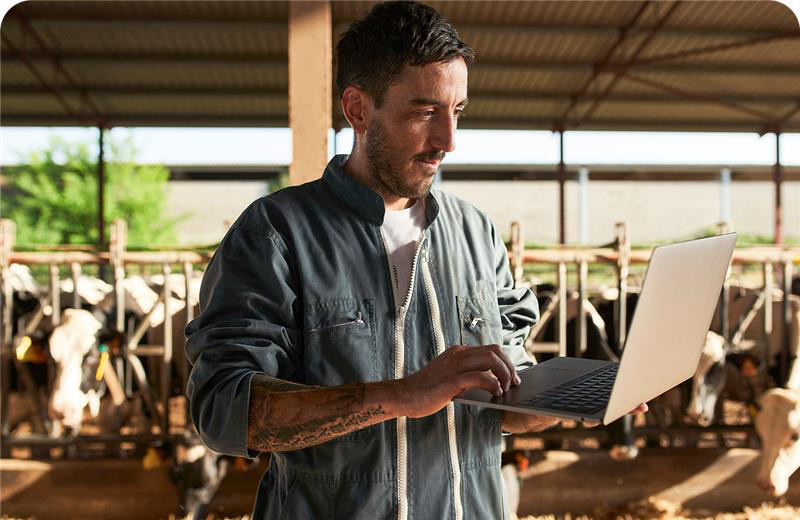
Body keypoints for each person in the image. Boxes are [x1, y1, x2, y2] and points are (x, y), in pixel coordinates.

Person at [185, 2, 645, 519]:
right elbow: (222, 410)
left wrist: (559, 404)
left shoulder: (477, 233)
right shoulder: (277, 231)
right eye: (425, 111)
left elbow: (501, 407)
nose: (449, 140)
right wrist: (400, 395)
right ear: (358, 109)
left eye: (458, 111)